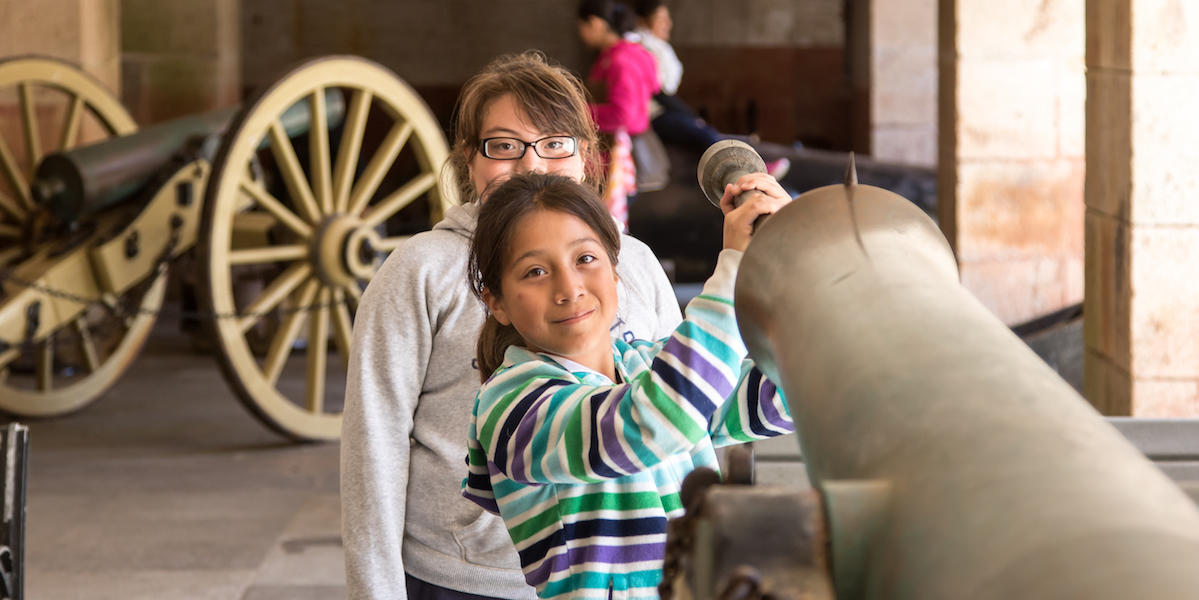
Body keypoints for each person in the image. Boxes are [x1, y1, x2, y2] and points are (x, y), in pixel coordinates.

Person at [340, 51, 683, 600]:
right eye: (504, 146)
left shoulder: (635, 263)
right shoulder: (422, 269)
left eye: (555, 143)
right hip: (464, 579)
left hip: (613, 580)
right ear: (469, 161)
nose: (532, 166)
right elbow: (373, 447)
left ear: (586, 157)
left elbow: (680, 411)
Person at [461, 172, 795, 599]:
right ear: (497, 302)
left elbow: (783, 398)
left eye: (585, 259)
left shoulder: (648, 367)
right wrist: (733, 270)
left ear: (615, 272)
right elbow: (653, 421)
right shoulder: (509, 405)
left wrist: (787, 257)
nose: (569, 288)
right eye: (536, 271)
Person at [627, 0, 790, 178]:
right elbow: (656, 92)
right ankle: (746, 172)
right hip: (652, 114)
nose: (667, 24)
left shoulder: (655, 47)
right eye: (660, 19)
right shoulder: (639, 48)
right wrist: (690, 115)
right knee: (701, 132)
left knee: (706, 131)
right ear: (642, 22)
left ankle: (754, 167)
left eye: (667, 18)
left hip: (663, 110)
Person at [576, 0, 662, 225]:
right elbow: (654, 86)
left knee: (606, 224)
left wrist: (577, 112)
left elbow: (623, 114)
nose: (582, 34)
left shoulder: (620, 60)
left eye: (582, 27)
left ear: (594, 23)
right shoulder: (635, 53)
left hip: (616, 153)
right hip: (625, 145)